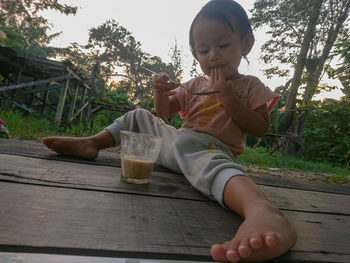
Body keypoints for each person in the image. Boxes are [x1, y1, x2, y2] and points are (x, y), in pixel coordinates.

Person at [42, 0, 297, 261]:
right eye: (204, 49)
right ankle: (93, 143)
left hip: (210, 153)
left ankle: (261, 211)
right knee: (140, 116)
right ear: (195, 54)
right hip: (175, 146)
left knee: (223, 173)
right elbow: (164, 112)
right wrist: (160, 92)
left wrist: (229, 98)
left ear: (246, 44)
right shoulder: (193, 84)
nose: (213, 55)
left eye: (222, 45)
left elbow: (261, 128)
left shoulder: (250, 87)